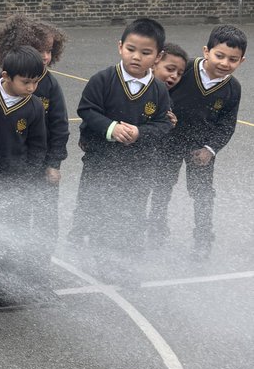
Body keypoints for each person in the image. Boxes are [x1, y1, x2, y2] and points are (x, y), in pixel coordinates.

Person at [71, 17, 172, 274]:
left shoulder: (159, 90)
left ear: (158, 57)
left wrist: (140, 132)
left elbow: (163, 124)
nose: (136, 57)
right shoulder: (103, 80)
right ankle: (101, 261)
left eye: (145, 52)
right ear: (120, 47)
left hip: (139, 169)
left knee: (133, 215)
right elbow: (87, 110)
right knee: (100, 211)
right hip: (101, 164)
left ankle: (128, 264)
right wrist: (111, 128)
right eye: (131, 49)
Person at [148, 26, 246, 258]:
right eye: (219, 55)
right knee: (162, 185)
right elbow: (157, 90)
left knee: (203, 193)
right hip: (168, 141)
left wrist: (210, 149)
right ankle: (156, 228)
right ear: (206, 51)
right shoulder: (184, 69)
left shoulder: (233, 89)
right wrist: (160, 117)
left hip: (199, 149)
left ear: (241, 61)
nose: (224, 63)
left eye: (232, 59)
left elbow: (226, 125)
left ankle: (203, 237)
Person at [0, 15, 68, 289]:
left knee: (46, 222)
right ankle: (6, 274)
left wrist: (53, 164)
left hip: (41, 166)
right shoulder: (7, 81)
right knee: (11, 221)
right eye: (39, 51)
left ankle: (39, 274)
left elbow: (60, 128)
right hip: (11, 170)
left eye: (50, 50)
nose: (46, 57)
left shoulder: (50, 86)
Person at [0, 46, 48, 300]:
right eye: (26, 82)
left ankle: (5, 284)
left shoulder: (35, 107)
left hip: (16, 180)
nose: (31, 88)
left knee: (11, 232)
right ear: (6, 76)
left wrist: (26, 178)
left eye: (36, 82)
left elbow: (38, 147)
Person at [145, 41, 189, 248]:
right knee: (140, 189)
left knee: (163, 190)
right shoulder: (140, 88)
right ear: (154, 64)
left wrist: (171, 122)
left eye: (179, 73)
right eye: (170, 69)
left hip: (168, 153)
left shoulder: (175, 94)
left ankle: (157, 223)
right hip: (141, 153)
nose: (174, 76)